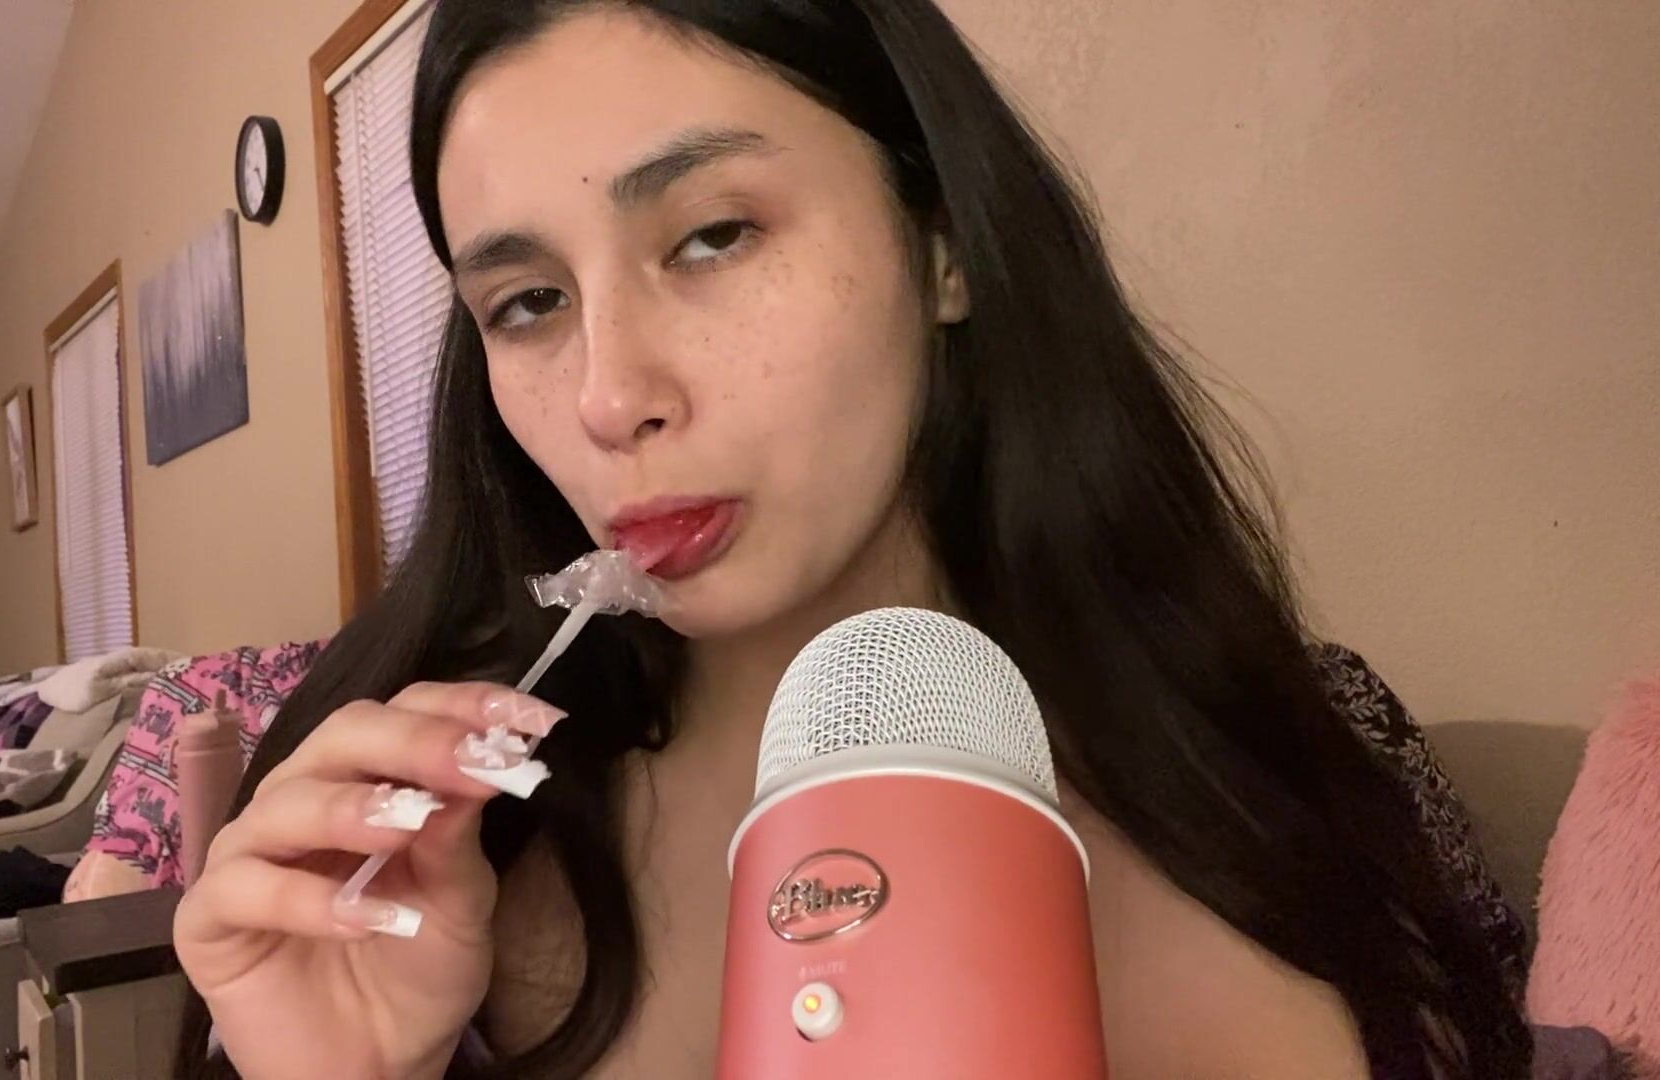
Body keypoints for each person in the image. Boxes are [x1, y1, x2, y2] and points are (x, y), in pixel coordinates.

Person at [172, 2, 1531, 1077]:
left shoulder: (1309, 751)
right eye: (528, 302)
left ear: (943, 244)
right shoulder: (446, 869)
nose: (608, 396)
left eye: (712, 236)